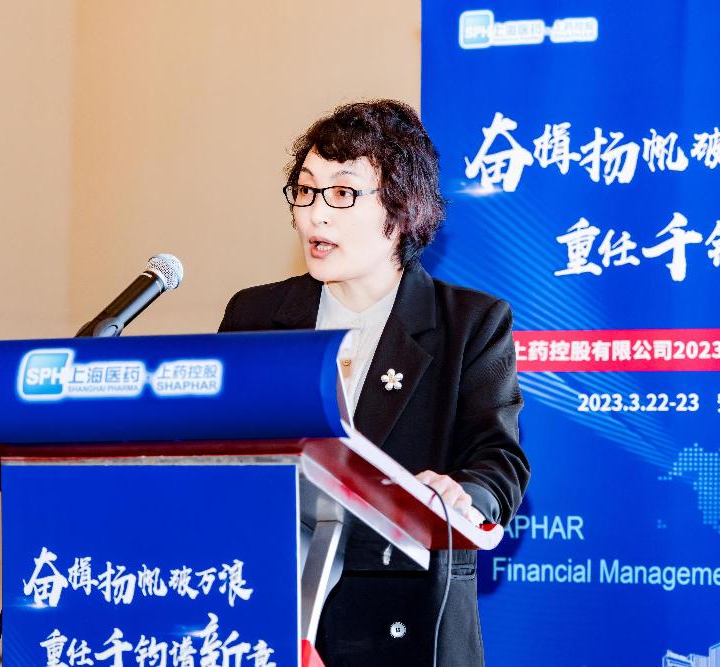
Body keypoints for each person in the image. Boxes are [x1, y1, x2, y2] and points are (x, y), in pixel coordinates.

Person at [218, 99, 529, 666]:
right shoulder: (255, 316)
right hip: (271, 612)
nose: (315, 215)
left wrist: (462, 495)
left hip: (405, 615)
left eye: (342, 193)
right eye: (306, 190)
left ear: (402, 210)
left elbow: (498, 460)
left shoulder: (470, 324)